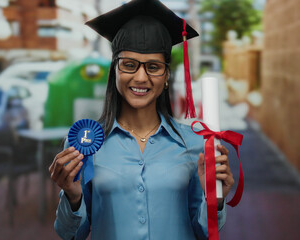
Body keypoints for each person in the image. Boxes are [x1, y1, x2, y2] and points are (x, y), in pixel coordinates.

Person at [48, 0, 234, 239]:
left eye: (153, 67)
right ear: (114, 70)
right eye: (129, 65)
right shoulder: (86, 145)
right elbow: (71, 235)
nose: (140, 77)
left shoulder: (196, 144)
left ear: (166, 76)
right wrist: (73, 197)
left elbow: (205, 233)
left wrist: (215, 200)